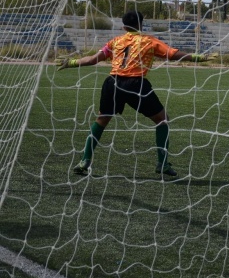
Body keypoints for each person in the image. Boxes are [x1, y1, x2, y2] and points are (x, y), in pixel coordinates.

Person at [59, 10, 212, 177]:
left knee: (102, 120)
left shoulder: (115, 42)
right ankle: (163, 163)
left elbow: (94, 59)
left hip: (112, 83)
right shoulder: (149, 41)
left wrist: (71, 62)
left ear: (123, 26)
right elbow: (173, 55)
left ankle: (84, 161)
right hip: (136, 84)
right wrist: (199, 57)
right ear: (141, 24)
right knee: (162, 120)